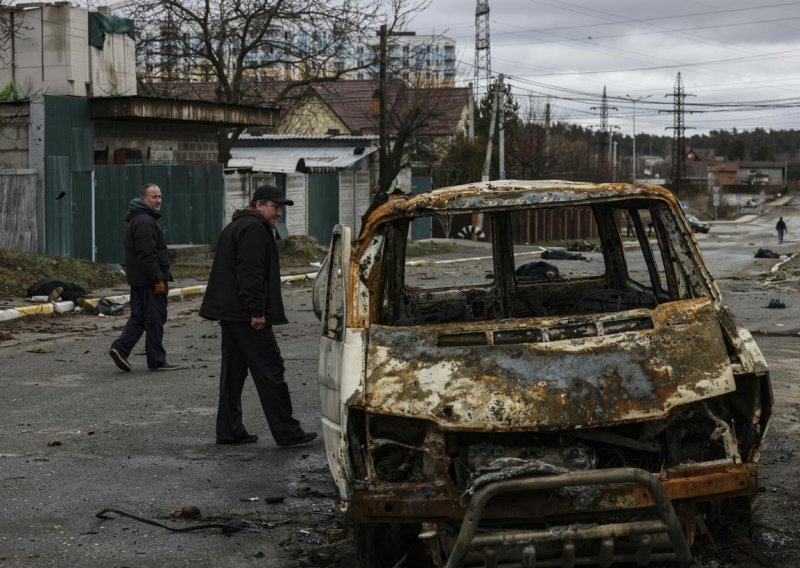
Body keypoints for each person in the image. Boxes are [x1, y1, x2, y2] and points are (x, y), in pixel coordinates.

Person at [199, 185, 317, 447]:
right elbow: (250, 273)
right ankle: (287, 431)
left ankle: (229, 430)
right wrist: (257, 311)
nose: (279, 214)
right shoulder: (253, 228)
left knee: (233, 373)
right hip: (246, 316)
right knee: (271, 368)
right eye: (275, 208)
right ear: (260, 204)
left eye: (280, 209)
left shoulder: (238, 225)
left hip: (232, 314)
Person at [109, 183, 181, 372]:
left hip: (139, 279)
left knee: (139, 317)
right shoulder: (144, 221)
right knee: (155, 319)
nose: (158, 200)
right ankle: (157, 360)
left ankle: (120, 349)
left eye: (159, 196)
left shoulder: (140, 218)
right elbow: (147, 255)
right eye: (153, 197)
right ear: (143, 199)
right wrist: (157, 279)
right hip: (150, 281)